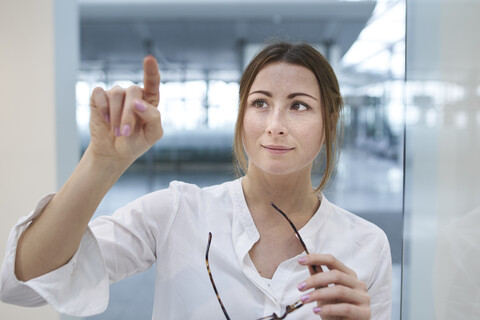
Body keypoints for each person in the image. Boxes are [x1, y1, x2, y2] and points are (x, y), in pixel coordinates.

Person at [0, 42, 391, 319]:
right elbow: (23, 283)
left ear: (329, 125)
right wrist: (101, 162)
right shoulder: (177, 212)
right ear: (241, 117)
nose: (275, 126)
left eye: (299, 106)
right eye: (260, 103)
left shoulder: (366, 245)